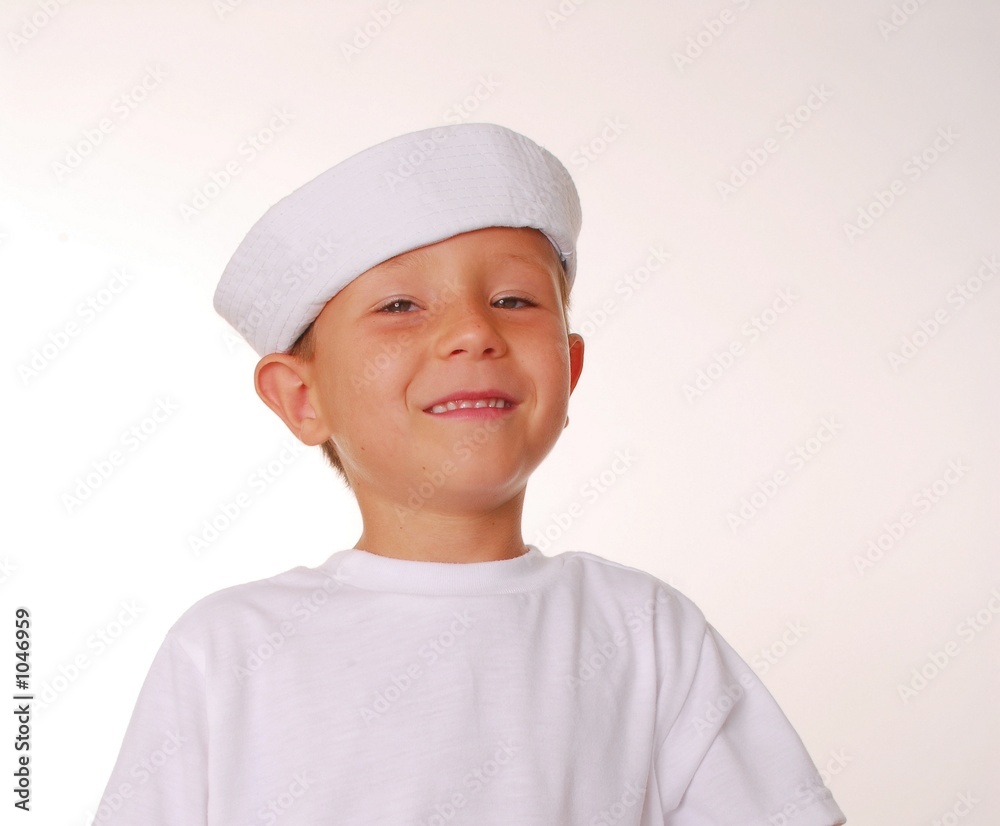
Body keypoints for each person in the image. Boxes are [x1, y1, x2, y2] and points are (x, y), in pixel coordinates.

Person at [93, 122, 847, 825]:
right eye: (400, 305)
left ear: (569, 369)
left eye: (513, 299)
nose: (473, 333)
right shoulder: (227, 652)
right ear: (302, 397)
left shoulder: (644, 632)